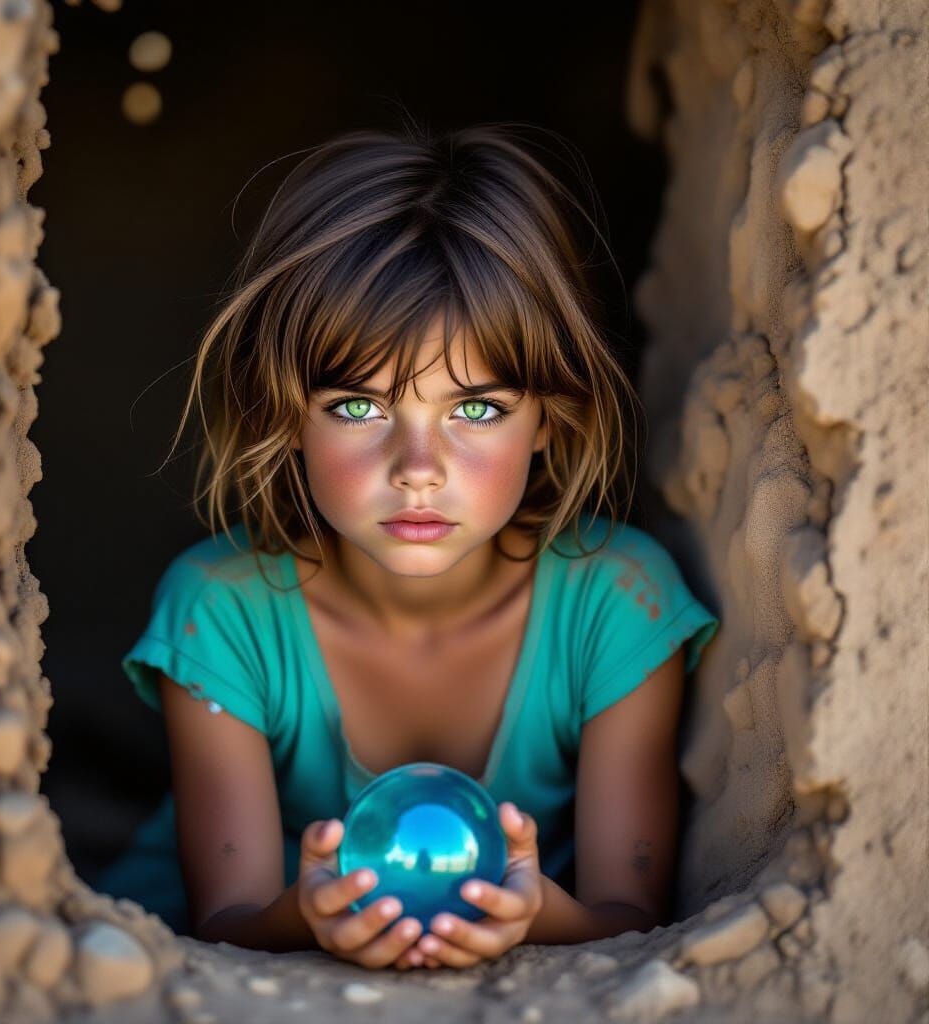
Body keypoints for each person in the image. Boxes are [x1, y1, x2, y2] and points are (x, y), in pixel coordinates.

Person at [95, 123, 720, 971]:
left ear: (552, 417)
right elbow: (224, 922)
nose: (418, 470)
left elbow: (630, 912)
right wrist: (307, 916)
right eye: (359, 408)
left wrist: (534, 913)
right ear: (285, 415)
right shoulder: (223, 612)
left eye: (477, 410)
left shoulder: (617, 606)